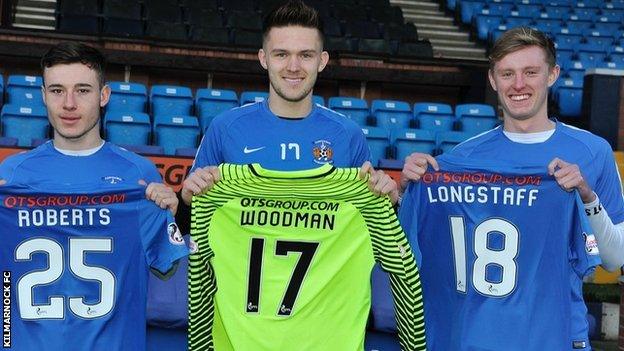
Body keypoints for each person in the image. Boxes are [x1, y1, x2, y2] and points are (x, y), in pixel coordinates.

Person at [400, 26, 624, 349]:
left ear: (552, 74)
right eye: (507, 74)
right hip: (478, 339)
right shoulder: (463, 158)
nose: (518, 84)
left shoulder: (593, 152)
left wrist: (587, 197)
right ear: (492, 80)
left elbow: (614, 259)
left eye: (530, 72)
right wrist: (411, 189)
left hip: (556, 339)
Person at [0, 41, 188, 350]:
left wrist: (173, 212)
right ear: (44, 96)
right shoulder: (13, 176)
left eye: (83, 90)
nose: (69, 104)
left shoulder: (138, 176)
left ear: (104, 95)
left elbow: (168, 268)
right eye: (58, 90)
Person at [177, 0, 398, 231]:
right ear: (264, 59)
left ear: (321, 61)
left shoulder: (348, 134)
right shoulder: (225, 127)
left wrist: (390, 202)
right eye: (281, 54)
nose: (293, 66)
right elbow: (190, 222)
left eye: (305, 55)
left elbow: (368, 228)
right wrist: (186, 199)